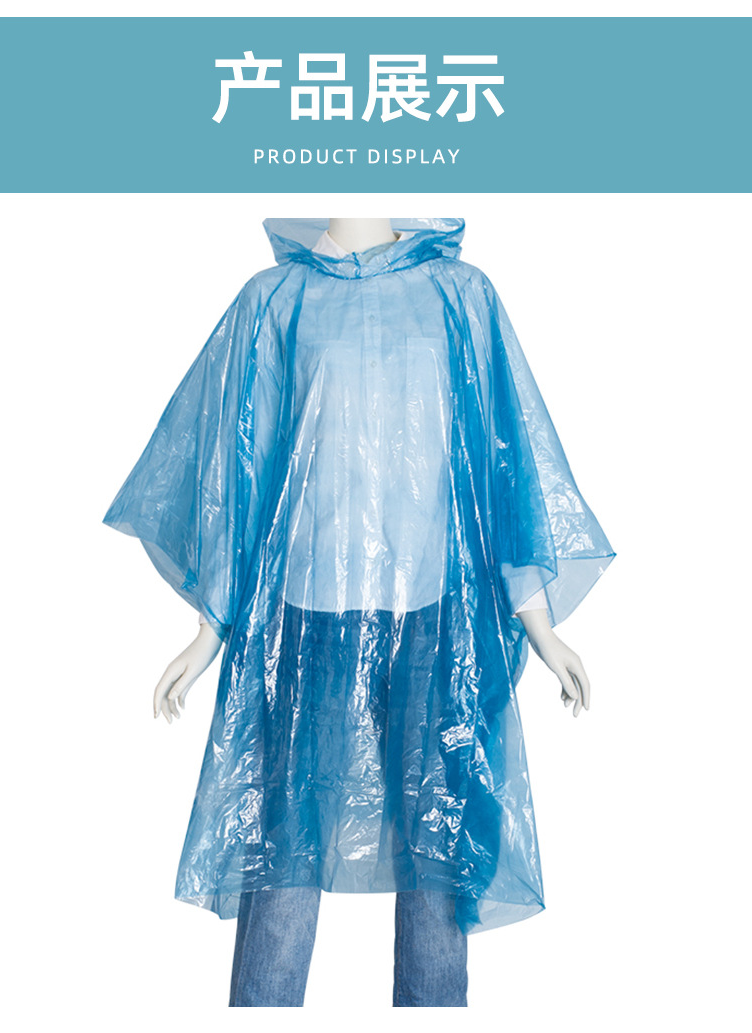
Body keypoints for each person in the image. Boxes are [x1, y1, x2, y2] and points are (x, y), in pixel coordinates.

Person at [103, 217, 614, 1007]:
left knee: (437, 856)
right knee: (283, 861)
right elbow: (240, 466)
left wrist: (539, 622)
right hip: (305, 623)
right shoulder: (275, 301)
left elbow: (501, 460)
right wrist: (210, 627)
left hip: (434, 620)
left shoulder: (460, 296)